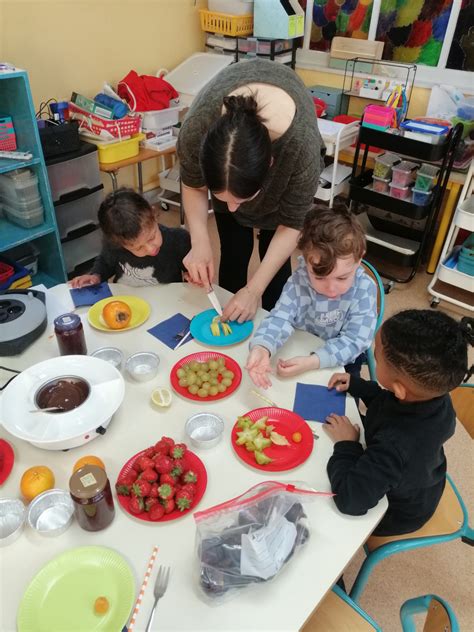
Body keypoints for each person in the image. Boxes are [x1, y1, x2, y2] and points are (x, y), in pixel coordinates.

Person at [177, 58, 325, 322]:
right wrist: (199, 242)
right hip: (228, 155)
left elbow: (292, 223)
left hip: (281, 198)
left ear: (270, 165)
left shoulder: (301, 147)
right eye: (222, 198)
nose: (233, 208)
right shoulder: (196, 129)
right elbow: (193, 185)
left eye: (241, 198)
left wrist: (254, 290)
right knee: (233, 253)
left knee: (274, 280)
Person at [325, 310, 474, 536]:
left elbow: (350, 501)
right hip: (418, 479)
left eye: (376, 357)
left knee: (323, 518)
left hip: (395, 512)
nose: (373, 358)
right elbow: (389, 402)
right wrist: (359, 386)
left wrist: (347, 445)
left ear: (400, 389)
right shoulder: (435, 396)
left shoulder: (394, 447)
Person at [246, 204, 377, 388]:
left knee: (337, 406)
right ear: (306, 260)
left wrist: (313, 361)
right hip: (301, 346)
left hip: (344, 360)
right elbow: (280, 317)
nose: (331, 289)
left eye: (342, 277)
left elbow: (355, 341)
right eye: (319, 277)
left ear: (360, 258)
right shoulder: (300, 280)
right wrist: (263, 347)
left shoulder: (364, 289)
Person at [70, 188, 190, 288]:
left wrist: (192, 276)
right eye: (138, 248)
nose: (150, 249)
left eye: (152, 237)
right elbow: (105, 263)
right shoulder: (115, 246)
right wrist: (95, 276)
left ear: (153, 215)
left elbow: (190, 271)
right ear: (119, 244)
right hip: (127, 305)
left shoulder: (179, 240)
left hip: (167, 306)